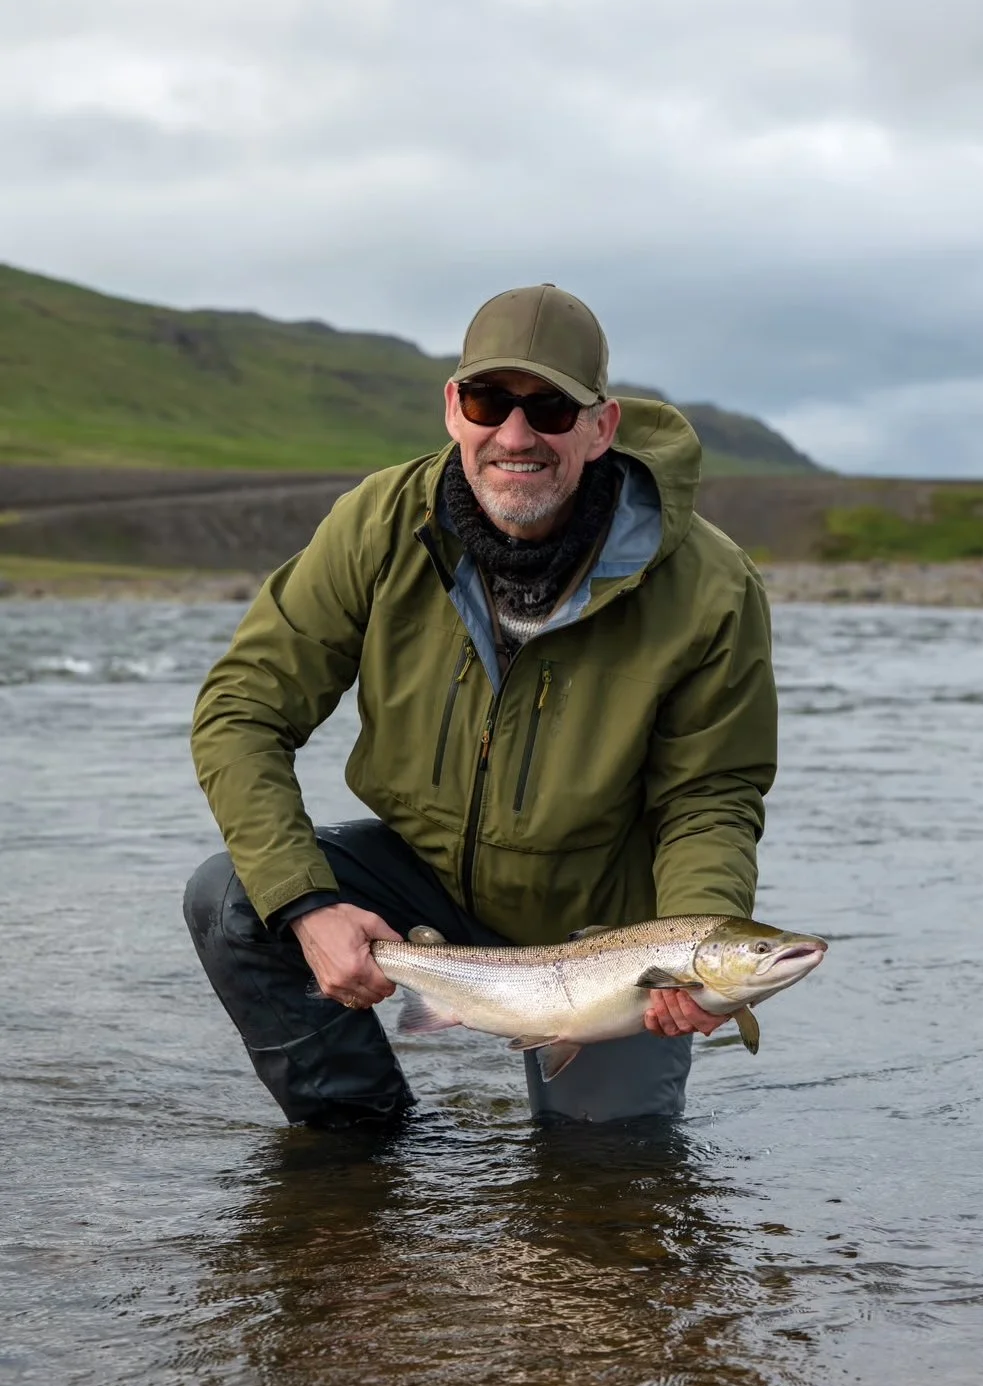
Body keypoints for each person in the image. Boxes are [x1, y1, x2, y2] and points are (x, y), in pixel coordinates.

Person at [183, 283, 777, 1128]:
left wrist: (693, 948)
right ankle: (359, 1150)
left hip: (607, 931)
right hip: (419, 877)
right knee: (234, 898)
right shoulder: (382, 525)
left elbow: (710, 796)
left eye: (550, 409)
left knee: (610, 1182)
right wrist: (309, 907)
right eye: (489, 401)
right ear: (453, 409)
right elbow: (242, 708)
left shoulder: (711, 586)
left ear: (601, 427)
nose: (516, 435)